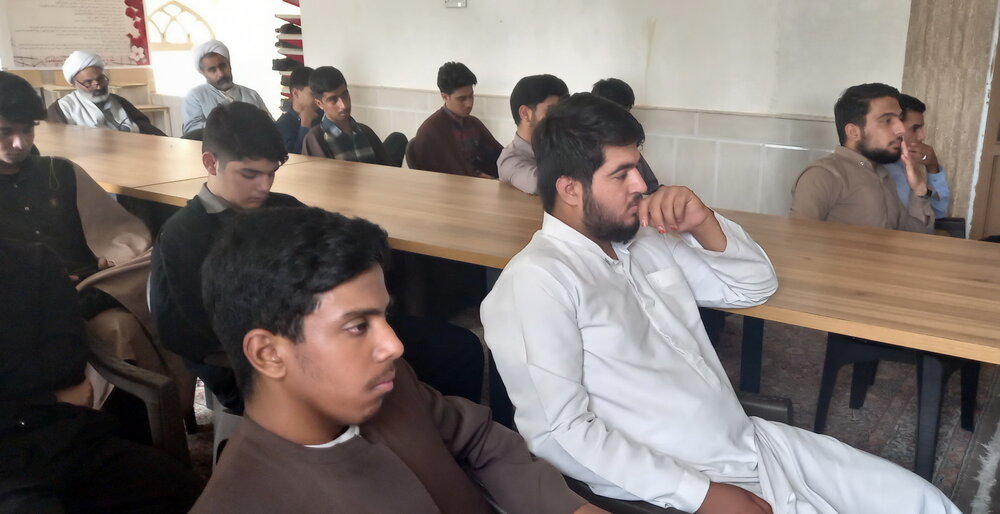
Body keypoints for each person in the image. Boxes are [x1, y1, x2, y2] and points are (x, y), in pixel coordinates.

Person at [480, 93, 960, 513]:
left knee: (924, 502)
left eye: (638, 167)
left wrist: (703, 220)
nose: (641, 185)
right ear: (569, 188)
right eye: (621, 174)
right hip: (689, 475)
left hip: (752, 442)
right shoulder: (538, 282)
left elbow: (755, 287)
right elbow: (560, 433)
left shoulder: (642, 241)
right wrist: (701, 494)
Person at [190, 206, 603, 514]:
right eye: (357, 326)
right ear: (269, 354)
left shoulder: (392, 385)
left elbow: (478, 439)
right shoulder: (245, 500)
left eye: (384, 317)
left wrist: (568, 508)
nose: (394, 345)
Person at [152, 102, 485, 413]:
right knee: (382, 392)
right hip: (258, 364)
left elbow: (344, 240)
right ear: (211, 163)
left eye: (272, 173)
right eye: (250, 174)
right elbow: (193, 333)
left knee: (460, 347)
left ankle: (454, 438)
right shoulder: (183, 235)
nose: (264, 186)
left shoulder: (282, 207)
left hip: (335, 331)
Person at [0, 71, 190, 409]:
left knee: (160, 276)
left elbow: (120, 234)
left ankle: (149, 419)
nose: (19, 144)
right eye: (5, 132)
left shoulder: (59, 172)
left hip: (92, 287)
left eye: (27, 130)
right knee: (114, 329)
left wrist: (109, 259)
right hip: (23, 312)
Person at [0, 238, 203, 513]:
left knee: (192, 494)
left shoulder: (35, 261)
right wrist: (51, 397)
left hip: (69, 438)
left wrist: (22, 391)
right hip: (9, 462)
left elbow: (66, 359)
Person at [791, 83, 934, 233]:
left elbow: (912, 237)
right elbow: (798, 240)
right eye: (887, 120)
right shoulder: (822, 175)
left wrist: (919, 189)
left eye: (899, 119)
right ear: (854, 132)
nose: (901, 129)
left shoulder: (882, 175)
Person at [408, 61, 503, 178]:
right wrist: (480, 178)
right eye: (462, 99)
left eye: (471, 96)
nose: (469, 104)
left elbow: (499, 155)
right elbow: (437, 174)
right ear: (444, 97)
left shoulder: (473, 123)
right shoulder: (431, 130)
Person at [47, 50, 165, 136]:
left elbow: (146, 128)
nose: (98, 86)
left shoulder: (118, 101)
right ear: (74, 84)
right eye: (88, 82)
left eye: (100, 79)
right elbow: (61, 145)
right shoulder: (62, 108)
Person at [301, 66, 388, 164]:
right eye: (333, 99)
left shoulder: (366, 132)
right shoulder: (316, 139)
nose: (344, 105)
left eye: (345, 94)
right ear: (319, 104)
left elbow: (387, 169)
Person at [497, 74, 568, 194]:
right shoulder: (509, 159)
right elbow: (540, 185)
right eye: (551, 111)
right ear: (525, 113)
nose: (560, 118)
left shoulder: (560, 144)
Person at [182, 39, 270, 135]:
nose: (221, 73)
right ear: (203, 73)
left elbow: (270, 126)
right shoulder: (195, 97)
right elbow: (193, 131)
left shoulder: (251, 95)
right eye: (212, 70)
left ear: (229, 65)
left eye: (223, 66)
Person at [885, 93, 950, 221]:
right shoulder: (879, 167)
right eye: (915, 128)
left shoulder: (906, 163)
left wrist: (932, 167)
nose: (922, 136)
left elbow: (937, 214)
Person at [591, 78, 659, 193]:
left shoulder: (628, 140)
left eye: (628, 110)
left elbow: (651, 187)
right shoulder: (586, 148)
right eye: (623, 110)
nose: (626, 116)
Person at [275, 66, 320, 154]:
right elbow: (292, 159)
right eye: (313, 94)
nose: (318, 98)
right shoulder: (283, 125)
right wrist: (305, 125)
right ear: (296, 93)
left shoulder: (323, 115)